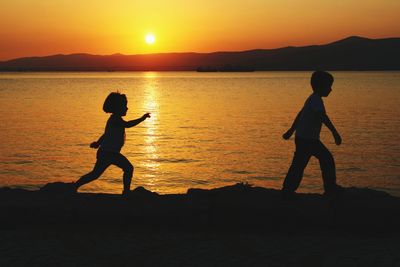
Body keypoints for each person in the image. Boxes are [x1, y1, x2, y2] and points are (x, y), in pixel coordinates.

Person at [73, 92, 150, 196]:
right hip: (109, 153)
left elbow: (106, 134)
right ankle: (126, 192)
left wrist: (98, 143)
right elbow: (127, 125)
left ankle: (74, 186)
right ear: (117, 107)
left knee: (95, 174)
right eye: (124, 106)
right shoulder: (115, 119)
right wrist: (142, 118)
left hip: (106, 152)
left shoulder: (114, 120)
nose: (127, 108)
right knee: (128, 168)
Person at [282, 71, 342, 199]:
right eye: (329, 86)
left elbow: (300, 115)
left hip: (303, 138)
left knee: (299, 165)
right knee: (326, 159)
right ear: (321, 86)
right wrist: (335, 133)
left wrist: (291, 131)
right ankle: (330, 188)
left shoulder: (312, 99)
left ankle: (287, 189)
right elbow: (322, 117)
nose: (331, 89)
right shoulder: (316, 101)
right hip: (308, 140)